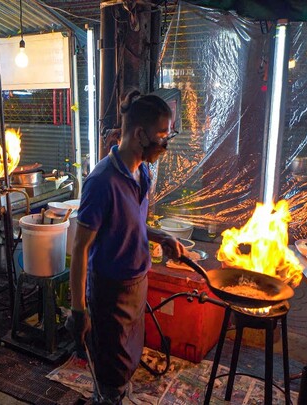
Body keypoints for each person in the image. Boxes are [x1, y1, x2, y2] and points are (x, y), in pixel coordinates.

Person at [67, 90, 184, 403]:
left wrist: (161, 237)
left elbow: (130, 223)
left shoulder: (142, 171)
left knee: (127, 367)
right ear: (140, 134)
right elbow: (80, 249)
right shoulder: (101, 182)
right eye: (162, 135)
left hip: (137, 286)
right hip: (110, 295)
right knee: (110, 377)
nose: (166, 143)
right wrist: (79, 311)